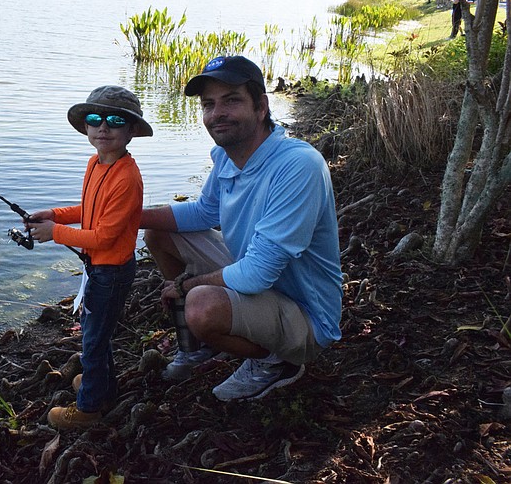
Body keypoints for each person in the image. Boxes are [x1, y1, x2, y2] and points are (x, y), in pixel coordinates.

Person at [140, 55, 343, 402]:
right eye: (208, 104)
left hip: (305, 315)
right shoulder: (227, 156)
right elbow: (205, 212)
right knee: (159, 234)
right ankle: (202, 343)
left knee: (201, 304)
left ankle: (275, 361)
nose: (217, 113)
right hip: (256, 276)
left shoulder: (297, 165)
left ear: (261, 107)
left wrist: (186, 285)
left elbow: (256, 275)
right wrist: (128, 216)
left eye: (231, 100)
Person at [27, 85, 153, 429]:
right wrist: (54, 214)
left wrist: (54, 232)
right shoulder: (96, 163)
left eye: (115, 121)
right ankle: (103, 386)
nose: (103, 128)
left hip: (110, 272)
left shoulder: (127, 177)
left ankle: (89, 408)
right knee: (98, 335)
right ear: (86, 126)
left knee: (93, 340)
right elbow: (90, 210)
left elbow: (103, 236)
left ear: (131, 131)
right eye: (95, 119)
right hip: (97, 269)